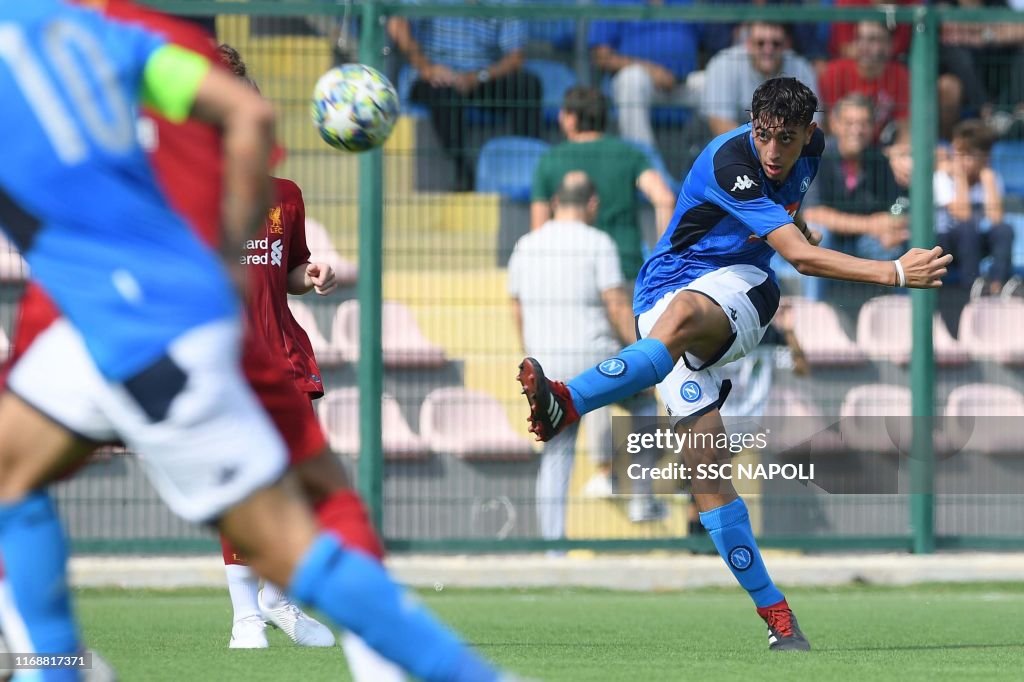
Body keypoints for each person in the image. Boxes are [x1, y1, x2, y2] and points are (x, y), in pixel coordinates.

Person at [0, 3, 503, 680]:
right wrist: (224, 258)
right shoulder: (115, 36)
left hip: (121, 326)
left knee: (291, 537)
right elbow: (248, 116)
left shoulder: (76, 36)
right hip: (142, 322)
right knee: (309, 513)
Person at [517, 77, 951, 651]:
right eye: (764, 136)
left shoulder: (813, 150)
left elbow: (788, 236)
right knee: (709, 476)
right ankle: (779, 618)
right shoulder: (728, 161)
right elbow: (801, 256)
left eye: (786, 140)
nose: (773, 151)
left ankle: (568, 400)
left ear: (808, 135)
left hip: (743, 290)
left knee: (686, 314)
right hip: (658, 295)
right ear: (752, 124)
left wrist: (795, 226)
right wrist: (895, 272)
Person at [510, 171, 663, 535]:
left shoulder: (525, 245)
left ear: (554, 203)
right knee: (643, 404)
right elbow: (615, 304)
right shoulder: (598, 242)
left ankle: (552, 548)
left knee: (557, 455)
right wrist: (642, 352)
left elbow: (515, 308)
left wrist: (531, 353)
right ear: (592, 204)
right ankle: (641, 497)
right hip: (596, 360)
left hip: (548, 365)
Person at [387, 1, 542, 191]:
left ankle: (528, 168)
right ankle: (462, 170)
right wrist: (427, 68)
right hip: (435, 77)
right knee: (444, 94)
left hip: (482, 76)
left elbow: (516, 57)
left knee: (527, 85)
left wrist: (479, 76)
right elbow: (396, 24)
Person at [531, 86, 677, 283]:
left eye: (563, 113)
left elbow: (539, 229)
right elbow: (665, 199)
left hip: (569, 272)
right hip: (624, 269)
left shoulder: (549, 161)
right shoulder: (629, 154)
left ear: (572, 119)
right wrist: (663, 261)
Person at [588, 0, 707, 149]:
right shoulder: (613, 2)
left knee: (713, 82)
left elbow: (706, 46)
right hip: (640, 85)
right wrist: (651, 71)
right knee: (631, 80)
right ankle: (645, 163)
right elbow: (601, 56)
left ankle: (726, 163)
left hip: (683, 84)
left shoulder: (687, 3)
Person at [934, 119, 1015, 298]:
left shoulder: (990, 179)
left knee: (1005, 230)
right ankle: (972, 287)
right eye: (957, 153)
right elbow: (963, 215)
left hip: (972, 243)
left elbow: (996, 220)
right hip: (944, 245)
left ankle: (997, 286)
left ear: (984, 158)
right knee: (967, 228)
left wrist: (988, 181)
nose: (960, 160)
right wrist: (961, 178)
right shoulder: (942, 178)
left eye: (968, 155)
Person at [700, 21, 819, 138]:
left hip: (787, 151)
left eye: (776, 44)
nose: (768, 50)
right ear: (748, 44)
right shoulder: (724, 64)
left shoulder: (801, 68)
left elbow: (814, 126)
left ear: (786, 45)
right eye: (760, 43)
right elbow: (720, 124)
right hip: (734, 152)